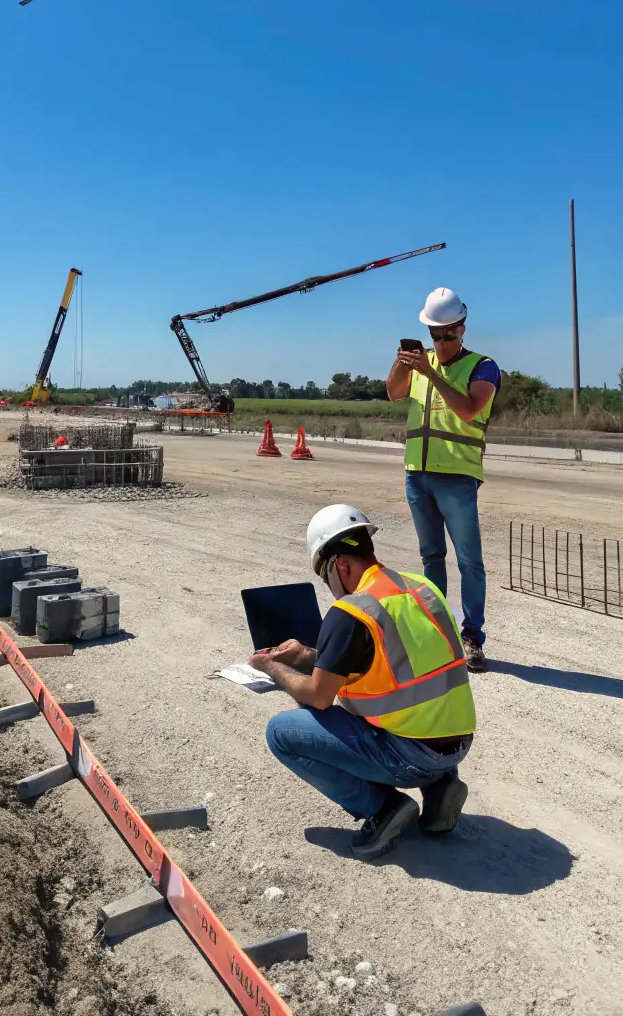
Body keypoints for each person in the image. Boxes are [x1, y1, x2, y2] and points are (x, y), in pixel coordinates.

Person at [250, 504, 475, 861]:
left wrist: (274, 668)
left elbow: (318, 696)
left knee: (280, 733)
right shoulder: (421, 588)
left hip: (410, 757)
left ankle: (383, 808)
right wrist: (307, 655)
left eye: (325, 576)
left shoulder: (352, 611)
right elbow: (391, 656)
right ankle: (440, 787)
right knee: (411, 718)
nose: (329, 587)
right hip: (456, 747)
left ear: (339, 565)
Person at [386, 287, 500, 673]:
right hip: (417, 475)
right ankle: (437, 632)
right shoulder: (421, 363)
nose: (441, 341)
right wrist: (402, 364)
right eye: (435, 334)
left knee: (469, 561)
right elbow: (393, 393)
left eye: (447, 334)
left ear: (462, 328)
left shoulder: (483, 367)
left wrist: (430, 373)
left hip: (457, 477)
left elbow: (469, 410)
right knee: (431, 556)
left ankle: (472, 638)